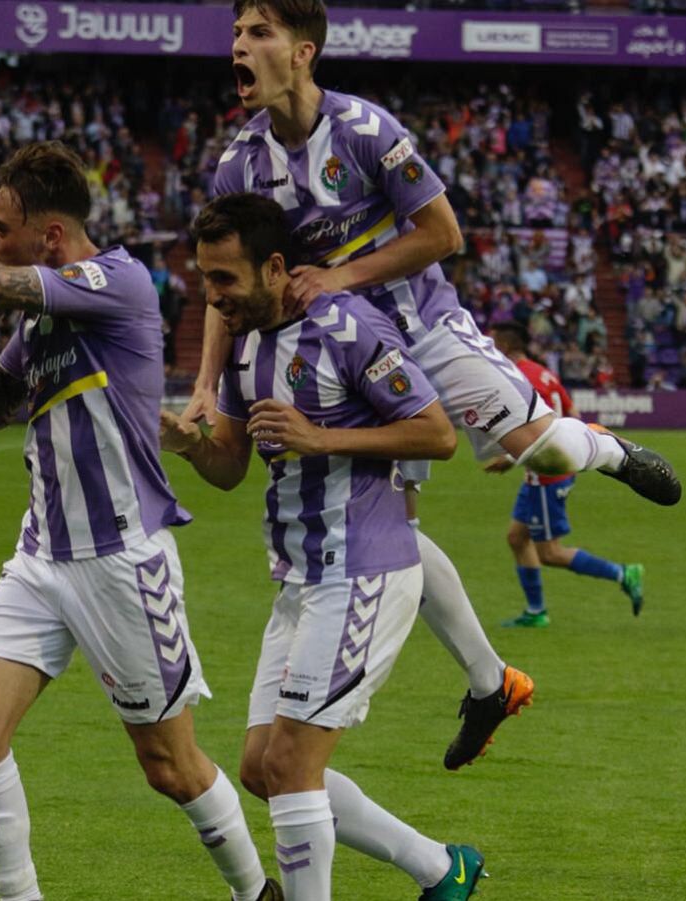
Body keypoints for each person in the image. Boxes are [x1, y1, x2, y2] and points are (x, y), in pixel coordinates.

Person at [186, 0, 630, 769]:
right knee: (393, 528)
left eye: (258, 33)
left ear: (302, 52)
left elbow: (443, 235)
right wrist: (201, 382)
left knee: (542, 451)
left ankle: (617, 453)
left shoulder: (366, 131)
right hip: (349, 359)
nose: (240, 47)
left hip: (420, 322)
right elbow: (228, 285)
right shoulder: (239, 164)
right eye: (236, 34)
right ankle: (491, 680)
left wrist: (338, 277)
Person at [0, 143, 280, 901]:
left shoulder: (119, 281)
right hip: (43, 552)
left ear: (50, 237)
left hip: (121, 557)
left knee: (169, 767)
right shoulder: (37, 312)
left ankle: (257, 893)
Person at [162, 192, 481, 901]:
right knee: (260, 765)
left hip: (364, 571)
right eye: (204, 279)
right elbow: (230, 468)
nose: (213, 298)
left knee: (295, 766)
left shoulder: (349, 328)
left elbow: (437, 433)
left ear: (275, 267)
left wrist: (321, 436)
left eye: (224, 280)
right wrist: (191, 445)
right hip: (301, 580)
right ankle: (440, 867)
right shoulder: (246, 346)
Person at [488, 323, 645, 627]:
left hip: (547, 474)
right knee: (517, 537)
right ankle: (536, 612)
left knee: (549, 552)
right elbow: (570, 415)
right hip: (550, 466)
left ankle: (624, 574)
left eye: (492, 342)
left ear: (505, 345)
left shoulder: (520, 378)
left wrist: (511, 456)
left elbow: (539, 429)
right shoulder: (541, 372)